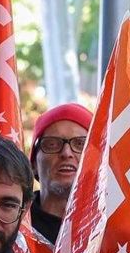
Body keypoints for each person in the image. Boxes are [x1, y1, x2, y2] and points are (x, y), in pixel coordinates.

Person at [29, 103, 92, 244]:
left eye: (80, 144)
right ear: (33, 164)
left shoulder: (113, 231)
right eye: (52, 144)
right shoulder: (14, 229)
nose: (66, 153)